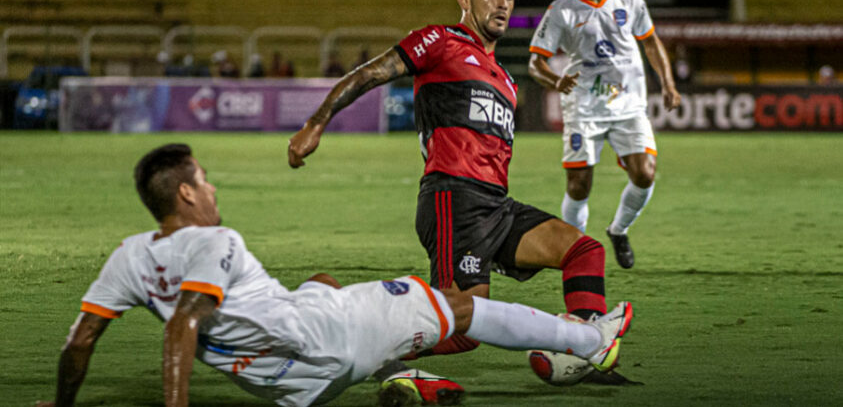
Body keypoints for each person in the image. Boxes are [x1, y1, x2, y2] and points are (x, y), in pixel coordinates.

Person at [36, 143, 633, 407]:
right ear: (187, 193)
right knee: (460, 307)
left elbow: (80, 341)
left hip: (291, 387)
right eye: (206, 178)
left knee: (320, 281)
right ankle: (589, 342)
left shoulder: (127, 258)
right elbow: (183, 328)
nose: (214, 187)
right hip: (328, 338)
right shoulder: (216, 239)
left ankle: (404, 378)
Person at [288, 0, 622, 397]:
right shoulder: (439, 41)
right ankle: (353, 343)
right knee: (462, 328)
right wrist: (318, 121)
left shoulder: (506, 79)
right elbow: (371, 73)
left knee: (584, 250)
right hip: (453, 199)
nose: (503, 3)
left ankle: (585, 350)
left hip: (496, 206)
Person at [527, 0, 681, 269]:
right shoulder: (561, 10)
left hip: (628, 104)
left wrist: (667, 84)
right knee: (579, 184)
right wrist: (555, 80)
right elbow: (534, 62)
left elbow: (651, 42)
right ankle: (575, 251)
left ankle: (619, 229)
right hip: (584, 106)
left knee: (645, 173)